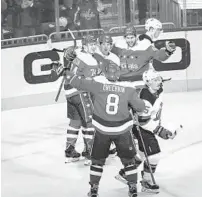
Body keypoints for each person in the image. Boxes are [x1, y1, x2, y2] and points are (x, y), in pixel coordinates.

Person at [60, 62, 147, 197]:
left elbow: (76, 82)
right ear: (118, 73)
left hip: (102, 132)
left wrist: (65, 71)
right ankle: (133, 188)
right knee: (129, 161)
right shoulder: (129, 89)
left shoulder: (97, 86)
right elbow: (141, 108)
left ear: (105, 74)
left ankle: (94, 189)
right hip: (123, 132)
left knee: (97, 161)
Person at [115, 69, 182, 193]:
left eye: (159, 79)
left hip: (146, 125)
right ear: (147, 82)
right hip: (141, 128)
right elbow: (143, 121)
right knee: (154, 155)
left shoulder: (157, 89)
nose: (159, 82)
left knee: (142, 154)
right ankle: (146, 182)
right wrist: (160, 131)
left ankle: (125, 174)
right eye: (155, 80)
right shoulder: (146, 99)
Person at [64, 35, 100, 164]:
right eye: (91, 44)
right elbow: (90, 82)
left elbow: (69, 53)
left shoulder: (77, 53)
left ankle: (69, 151)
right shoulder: (91, 61)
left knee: (75, 122)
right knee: (89, 122)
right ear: (85, 46)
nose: (94, 46)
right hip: (81, 92)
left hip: (69, 92)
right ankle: (90, 153)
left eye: (95, 43)